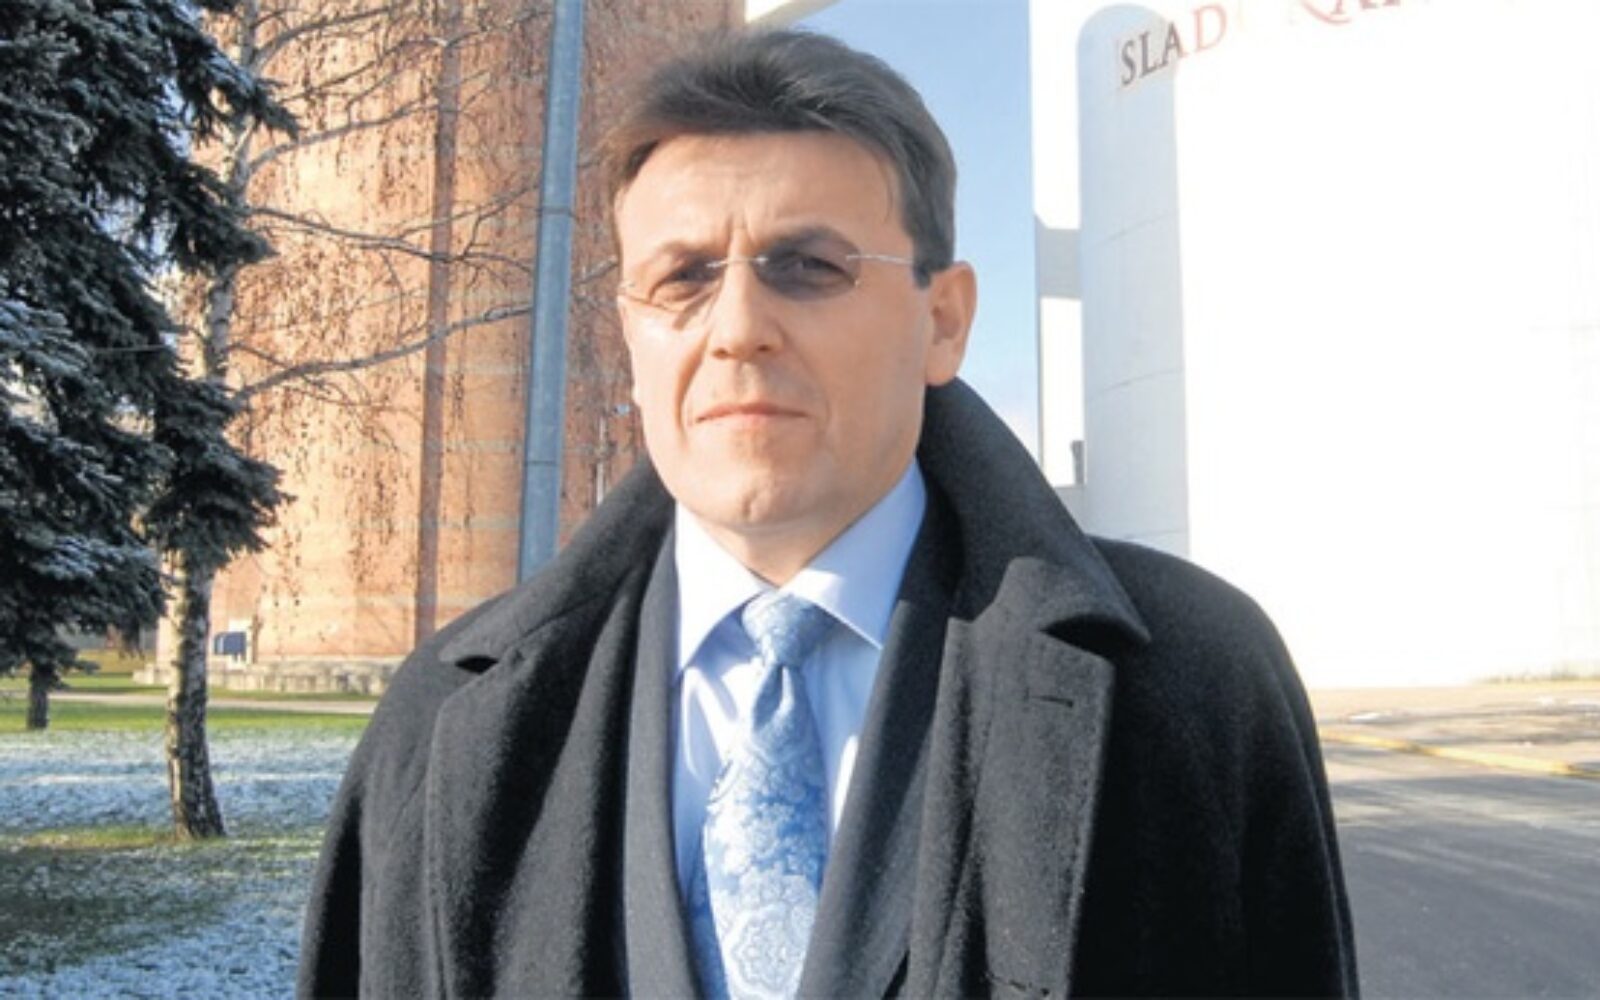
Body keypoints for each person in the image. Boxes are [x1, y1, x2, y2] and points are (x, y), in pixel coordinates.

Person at [298, 28, 1358, 999]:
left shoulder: (1192, 688)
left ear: (943, 322)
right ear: (629, 332)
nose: (737, 327)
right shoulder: (442, 727)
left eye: (806, 267)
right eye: (682, 277)